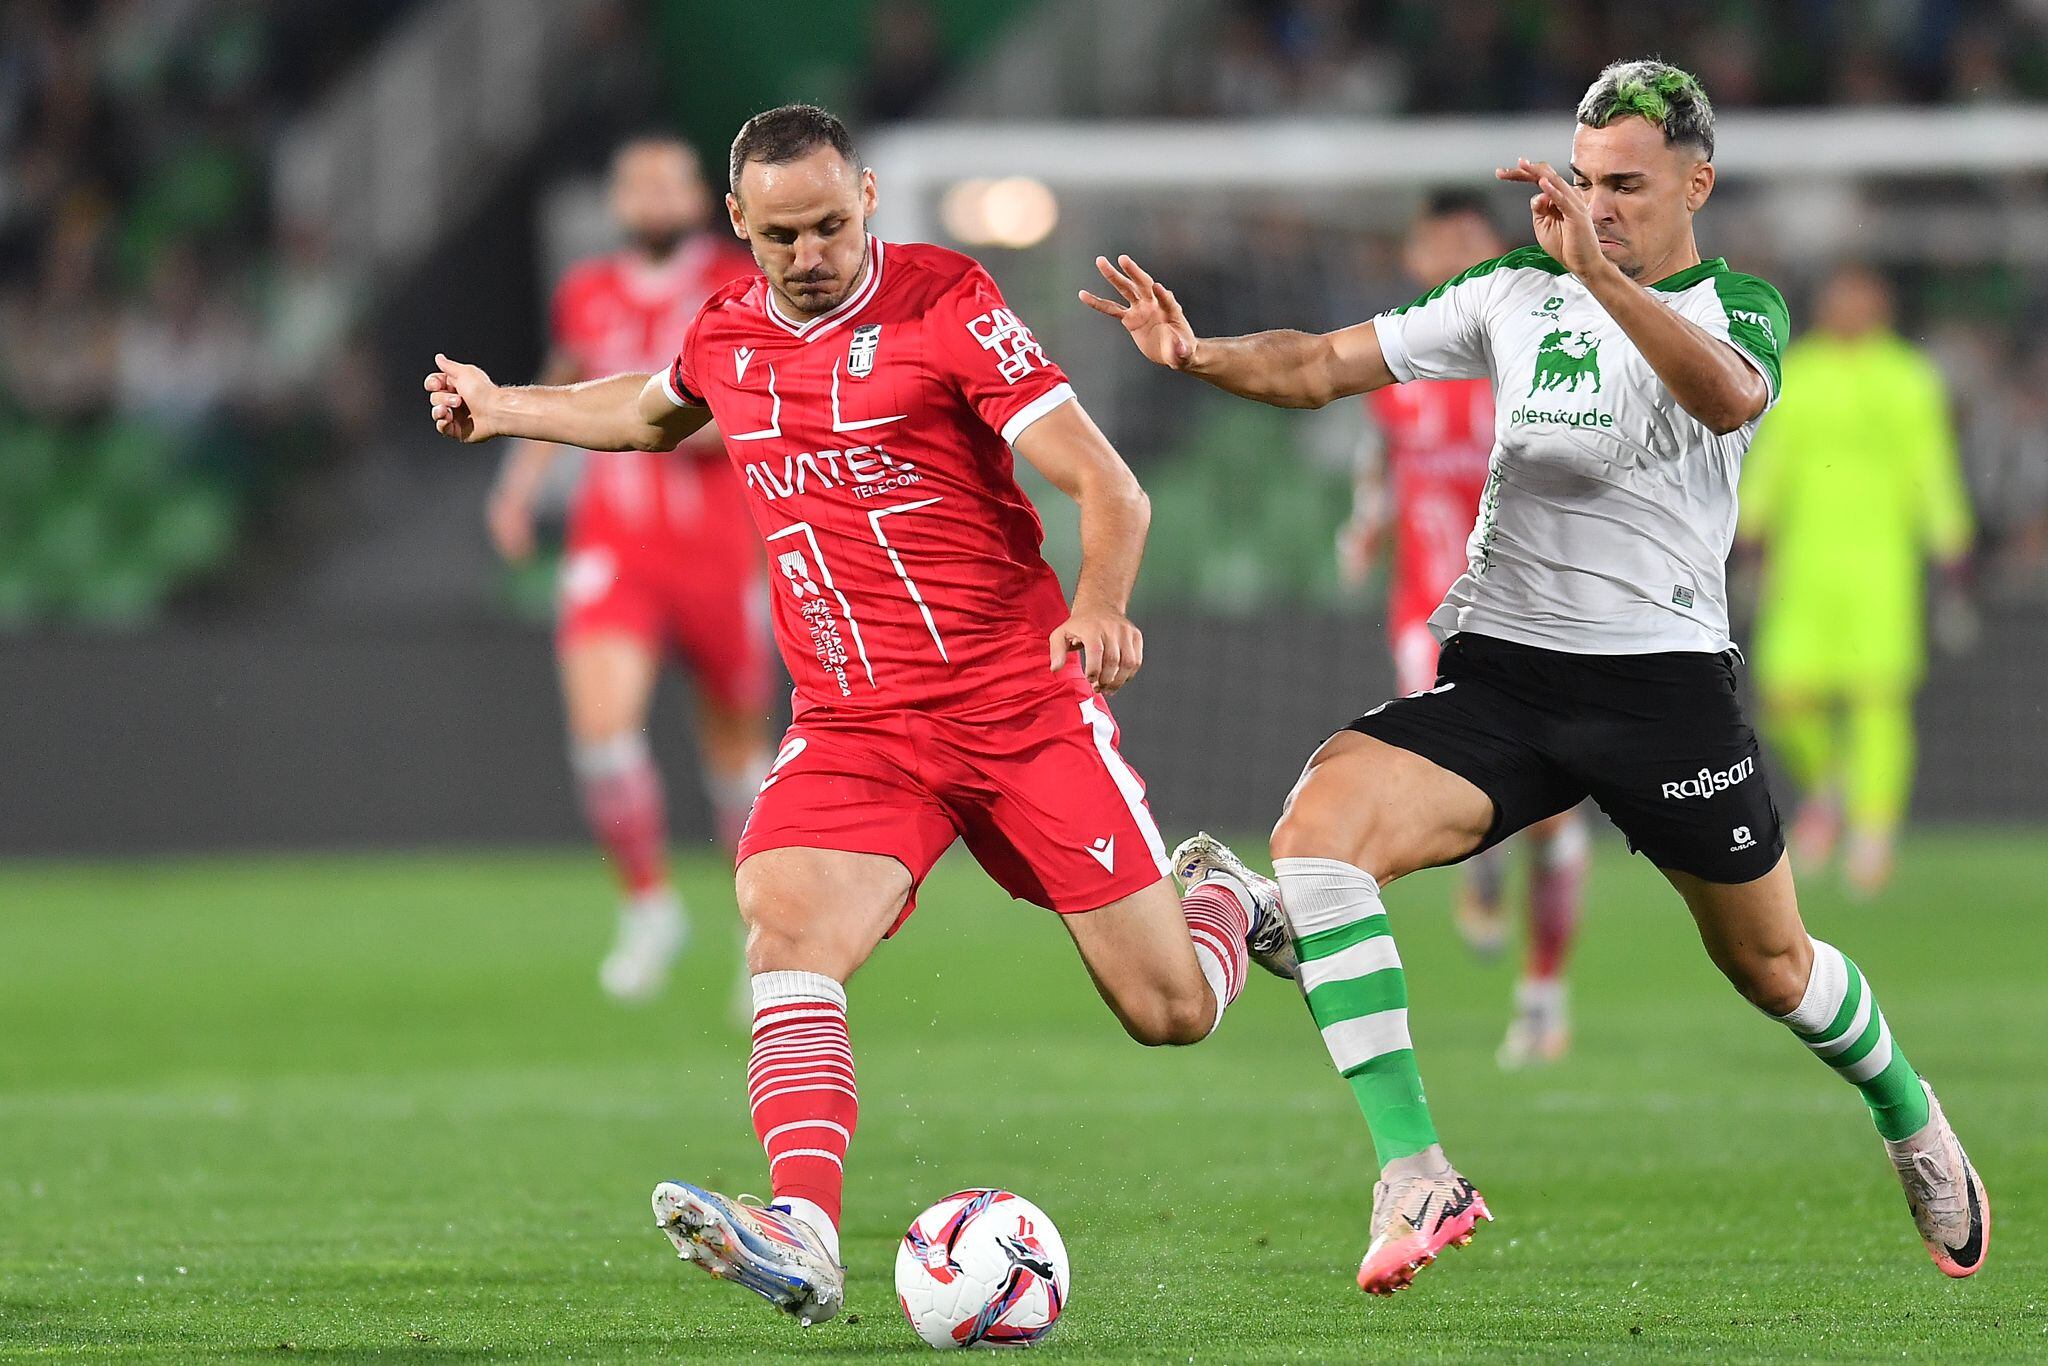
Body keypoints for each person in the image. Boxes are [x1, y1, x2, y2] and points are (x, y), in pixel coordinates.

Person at [1085, 59, 1988, 1295]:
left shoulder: (1741, 305)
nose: (1599, 203)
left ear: (1695, 181)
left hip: (1660, 690)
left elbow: (1725, 400)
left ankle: (1911, 1118)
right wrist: (1195, 355)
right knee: (1315, 833)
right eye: (1583, 181)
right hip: (1506, 672)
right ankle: (1415, 1170)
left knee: (1770, 968)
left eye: (1626, 184)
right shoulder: (1508, 291)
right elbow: (1316, 364)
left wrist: (1602, 276)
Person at [426, 104, 1291, 1327]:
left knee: (1170, 1012)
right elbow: (649, 412)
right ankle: (807, 1232)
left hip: (1014, 702)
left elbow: (1109, 483)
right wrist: (504, 406)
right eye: (783, 233)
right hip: (857, 723)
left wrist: (1097, 606)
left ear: (870, 197)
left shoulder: (947, 302)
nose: (812, 251)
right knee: (784, 931)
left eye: (833, 222)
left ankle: (1223, 899)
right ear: (738, 225)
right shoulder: (725, 330)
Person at [486, 135, 775, 1002]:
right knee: (602, 729)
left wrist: (685, 430)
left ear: (699, 198)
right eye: (634, 184)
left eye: (666, 182)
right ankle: (648, 906)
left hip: (722, 548)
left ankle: (761, 929)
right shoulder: (586, 291)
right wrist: (519, 480)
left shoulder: (741, 281)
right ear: (618, 203)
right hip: (614, 541)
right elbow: (570, 373)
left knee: (736, 755)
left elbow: (766, 402)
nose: (651, 198)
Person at [1340, 191, 1589, 1067]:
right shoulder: (1396, 365)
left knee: (1554, 819)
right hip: (1429, 621)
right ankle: (1483, 856)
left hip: (1538, 615)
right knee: (1465, 782)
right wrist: (1364, 525)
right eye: (1431, 238)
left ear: (1495, 247)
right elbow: (1379, 460)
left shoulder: (1537, 349)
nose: (1447, 251)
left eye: (1464, 237)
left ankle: (1543, 997)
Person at [1738, 264, 1973, 898]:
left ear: (1883, 304)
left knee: (1877, 699)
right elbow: (1773, 455)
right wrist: (1752, 524)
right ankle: (1831, 784)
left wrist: (1950, 541)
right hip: (1805, 563)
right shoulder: (1800, 372)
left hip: (1880, 565)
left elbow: (1930, 461)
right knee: (1784, 693)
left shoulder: (1908, 377)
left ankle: (1873, 832)